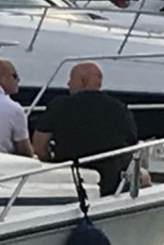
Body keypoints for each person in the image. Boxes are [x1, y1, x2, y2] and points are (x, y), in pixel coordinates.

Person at [32, 61, 141, 197]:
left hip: (70, 178)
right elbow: (131, 145)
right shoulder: (120, 108)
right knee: (143, 176)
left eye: (70, 79)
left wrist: (51, 162)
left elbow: (39, 145)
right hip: (110, 183)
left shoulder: (59, 106)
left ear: (83, 81)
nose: (68, 84)